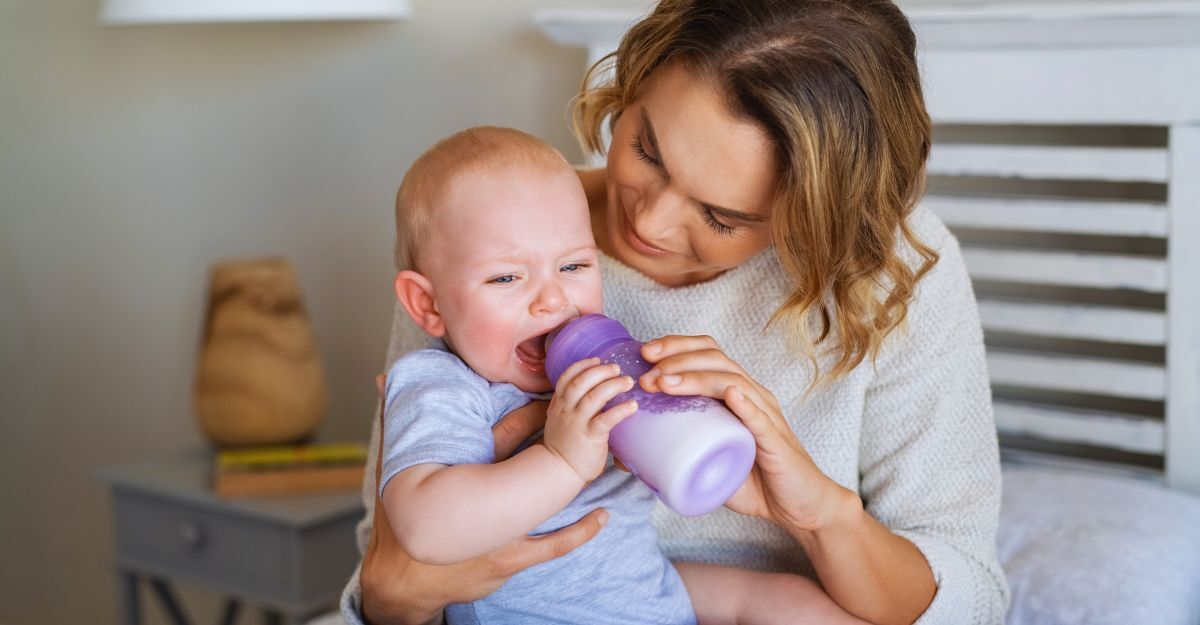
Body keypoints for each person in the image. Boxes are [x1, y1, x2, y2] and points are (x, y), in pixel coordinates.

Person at [343, 1, 1011, 624]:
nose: (651, 221)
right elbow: (395, 566)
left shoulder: (885, 274)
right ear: (632, 85)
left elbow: (969, 593)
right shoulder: (487, 240)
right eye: (647, 149)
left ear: (816, 218)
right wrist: (389, 593)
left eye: (721, 215)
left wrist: (819, 515)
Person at [373, 125, 872, 625]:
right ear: (427, 304)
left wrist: (684, 413)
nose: (553, 299)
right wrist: (561, 461)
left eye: (573, 266)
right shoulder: (442, 386)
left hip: (651, 592)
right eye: (506, 277)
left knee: (787, 600)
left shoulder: (600, 367)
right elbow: (424, 530)